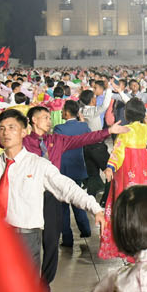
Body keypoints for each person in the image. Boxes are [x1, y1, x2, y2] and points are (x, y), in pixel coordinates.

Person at [0, 108, 104, 280]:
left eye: (12, 127)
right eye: (1, 128)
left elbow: (66, 187)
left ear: (24, 131)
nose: (6, 132)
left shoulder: (38, 165)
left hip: (26, 237)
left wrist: (95, 208)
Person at [98, 98, 147, 262]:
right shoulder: (145, 130)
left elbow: (117, 152)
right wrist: (146, 119)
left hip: (128, 170)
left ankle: (127, 240)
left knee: (126, 206)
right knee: (146, 205)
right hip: (144, 171)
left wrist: (110, 167)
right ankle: (146, 237)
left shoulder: (125, 131)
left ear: (126, 113)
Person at [54, 100, 96, 245]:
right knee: (78, 200)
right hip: (78, 168)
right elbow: (91, 140)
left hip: (63, 169)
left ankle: (67, 239)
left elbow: (55, 149)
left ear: (66, 112)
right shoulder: (84, 126)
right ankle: (85, 230)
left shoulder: (58, 128)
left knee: (63, 205)